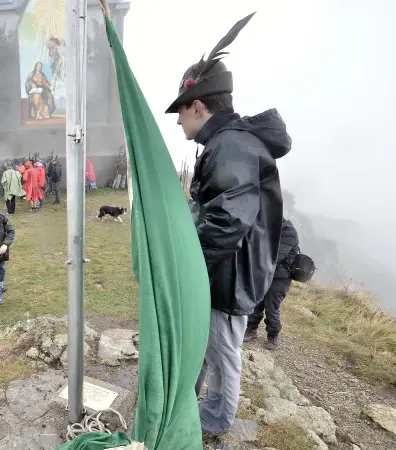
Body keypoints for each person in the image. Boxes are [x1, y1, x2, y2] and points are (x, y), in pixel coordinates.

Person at [164, 13, 290, 438]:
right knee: (208, 347)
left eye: (181, 110)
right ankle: (192, 405)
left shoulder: (230, 145)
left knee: (222, 351)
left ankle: (215, 422)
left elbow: (227, 220)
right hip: (226, 271)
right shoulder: (226, 142)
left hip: (229, 276)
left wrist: (185, 263)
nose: (178, 120)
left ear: (199, 106)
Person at [245, 219, 299, 350]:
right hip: (265, 273)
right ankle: (251, 329)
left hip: (280, 277)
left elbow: (277, 256)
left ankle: (273, 336)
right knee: (257, 302)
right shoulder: (271, 227)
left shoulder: (289, 232)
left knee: (272, 306)